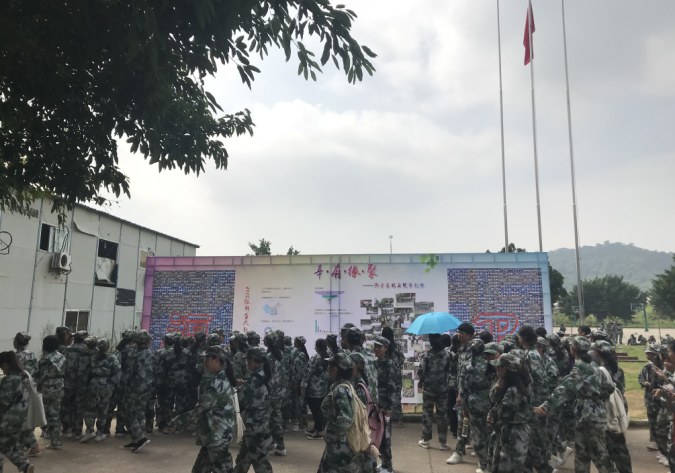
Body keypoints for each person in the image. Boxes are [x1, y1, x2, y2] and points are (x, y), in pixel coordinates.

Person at [533, 336, 618, 473]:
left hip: (589, 416)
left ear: (572, 349)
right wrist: (595, 395)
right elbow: (609, 387)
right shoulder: (593, 365)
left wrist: (546, 406)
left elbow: (565, 389)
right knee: (581, 454)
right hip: (591, 414)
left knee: (599, 454)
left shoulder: (581, 367)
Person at [170, 345, 237, 473]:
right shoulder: (219, 378)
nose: (204, 361)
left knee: (222, 468)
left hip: (218, 433)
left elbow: (202, 408)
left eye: (207, 359)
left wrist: (178, 422)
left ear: (216, 360)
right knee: (200, 468)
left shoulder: (219, 381)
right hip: (213, 433)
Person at [449, 338, 491, 472]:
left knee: (472, 431)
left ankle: (483, 464)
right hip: (487, 403)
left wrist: (461, 401)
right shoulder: (488, 364)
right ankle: (484, 460)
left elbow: (462, 386)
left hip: (471, 403)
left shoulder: (467, 365)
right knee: (484, 431)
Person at [593, 341, 632, 473]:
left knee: (608, 447)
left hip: (607, 410)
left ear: (596, 353)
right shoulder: (617, 369)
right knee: (620, 445)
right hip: (619, 406)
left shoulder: (599, 371)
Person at [489, 353, 532, 473]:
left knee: (509, 466)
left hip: (514, 433)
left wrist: (493, 413)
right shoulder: (514, 385)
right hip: (508, 431)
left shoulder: (514, 390)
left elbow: (503, 413)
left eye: (498, 366)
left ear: (504, 369)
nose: (495, 368)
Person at [233, 347, 273, 473]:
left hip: (253, 423)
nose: (247, 363)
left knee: (260, 460)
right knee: (243, 457)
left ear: (254, 360)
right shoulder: (266, 374)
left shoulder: (256, 378)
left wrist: (238, 387)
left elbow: (241, 398)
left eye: (248, 360)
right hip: (260, 420)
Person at [317, 352, 359, 473]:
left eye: (330, 366)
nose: (328, 369)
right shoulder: (346, 386)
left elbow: (346, 419)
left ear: (336, 369)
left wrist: (330, 435)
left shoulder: (340, 389)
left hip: (339, 445)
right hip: (341, 443)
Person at [0, 351, 35, 473]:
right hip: (21, 418)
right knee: (9, 445)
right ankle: (25, 466)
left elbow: (4, 401)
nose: (2, 370)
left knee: (3, 445)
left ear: (6, 365)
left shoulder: (9, 379)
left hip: (7, 419)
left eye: (2, 367)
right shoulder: (24, 376)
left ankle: (23, 465)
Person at [81, 338, 121, 443]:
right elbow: (116, 369)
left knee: (90, 408)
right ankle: (100, 433)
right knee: (103, 408)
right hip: (107, 384)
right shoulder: (112, 357)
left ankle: (90, 430)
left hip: (94, 383)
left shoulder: (93, 358)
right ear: (107, 347)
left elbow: (88, 370)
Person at [447, 322, 476, 465]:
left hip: (473, 393)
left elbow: (469, 375)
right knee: (462, 423)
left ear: (469, 335)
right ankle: (459, 451)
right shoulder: (461, 350)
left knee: (476, 424)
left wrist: (462, 393)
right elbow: (460, 374)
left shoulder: (473, 351)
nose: (459, 335)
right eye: (458, 332)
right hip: (463, 391)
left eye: (462, 333)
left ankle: (482, 456)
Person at [417, 333, 450, 451]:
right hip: (443, 389)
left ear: (430, 342)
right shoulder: (447, 355)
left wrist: (421, 381)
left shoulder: (426, 355)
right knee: (442, 415)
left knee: (427, 414)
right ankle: (443, 442)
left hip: (429, 389)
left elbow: (421, 372)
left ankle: (426, 440)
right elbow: (450, 370)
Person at [123, 330, 155, 452]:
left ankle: (140, 438)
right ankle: (136, 439)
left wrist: (123, 385)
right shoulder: (152, 353)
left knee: (129, 413)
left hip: (135, 387)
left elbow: (128, 372)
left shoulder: (133, 354)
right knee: (140, 412)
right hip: (147, 386)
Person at [35, 334, 67, 450]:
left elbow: (41, 376)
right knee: (55, 413)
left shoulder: (45, 359)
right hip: (60, 384)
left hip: (48, 386)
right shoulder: (62, 357)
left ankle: (48, 433)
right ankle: (56, 440)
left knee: (47, 413)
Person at [13, 332, 40, 457]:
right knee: (26, 415)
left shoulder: (16, 356)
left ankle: (33, 445)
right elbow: (37, 370)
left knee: (19, 417)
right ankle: (22, 444)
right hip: (31, 386)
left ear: (16, 342)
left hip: (19, 388)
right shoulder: (31, 354)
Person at [375, 336, 397, 473]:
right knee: (378, 434)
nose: (376, 349)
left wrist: (390, 406)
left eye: (379, 347)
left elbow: (392, 386)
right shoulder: (376, 362)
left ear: (386, 348)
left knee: (385, 436)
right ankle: (383, 462)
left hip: (385, 405)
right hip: (376, 405)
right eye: (375, 346)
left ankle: (388, 466)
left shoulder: (389, 364)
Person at [61, 330, 88, 438]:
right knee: (79, 407)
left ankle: (66, 429)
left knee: (67, 406)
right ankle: (77, 431)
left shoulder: (68, 350)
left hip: (68, 382)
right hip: (82, 384)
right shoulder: (86, 351)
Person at [302, 338, 330, 439]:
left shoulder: (316, 357)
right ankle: (317, 427)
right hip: (323, 388)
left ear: (317, 347)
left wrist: (303, 385)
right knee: (319, 409)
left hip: (313, 389)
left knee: (315, 410)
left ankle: (320, 431)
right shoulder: (328, 357)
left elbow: (308, 372)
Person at [264, 331, 285, 456]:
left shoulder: (269, 356)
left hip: (272, 391)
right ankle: (272, 442)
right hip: (279, 390)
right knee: (274, 417)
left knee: (273, 418)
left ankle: (280, 446)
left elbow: (267, 375)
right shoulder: (280, 354)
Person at [639, 344, 663, 453]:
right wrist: (644, 383)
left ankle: (661, 442)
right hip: (649, 399)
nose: (646, 354)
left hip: (661, 400)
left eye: (648, 353)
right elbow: (640, 377)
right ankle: (654, 441)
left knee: (660, 422)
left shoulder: (662, 368)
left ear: (654, 355)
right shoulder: (647, 367)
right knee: (652, 421)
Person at [381, 327, 405, 429]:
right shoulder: (397, 347)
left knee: (385, 396)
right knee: (397, 397)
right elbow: (402, 360)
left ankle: (385, 419)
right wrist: (396, 366)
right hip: (396, 376)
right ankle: (399, 420)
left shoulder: (382, 347)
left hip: (385, 375)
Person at [291, 336, 309, 432]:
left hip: (299, 382)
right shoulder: (302, 354)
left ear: (297, 343)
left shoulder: (300, 355)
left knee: (300, 403)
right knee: (301, 402)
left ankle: (302, 423)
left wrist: (296, 382)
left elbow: (300, 371)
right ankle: (302, 423)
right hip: (301, 382)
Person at [444, 333, 460, 438]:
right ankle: (458, 428)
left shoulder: (447, 351)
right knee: (459, 407)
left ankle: (453, 427)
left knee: (451, 406)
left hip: (450, 382)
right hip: (459, 383)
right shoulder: (462, 353)